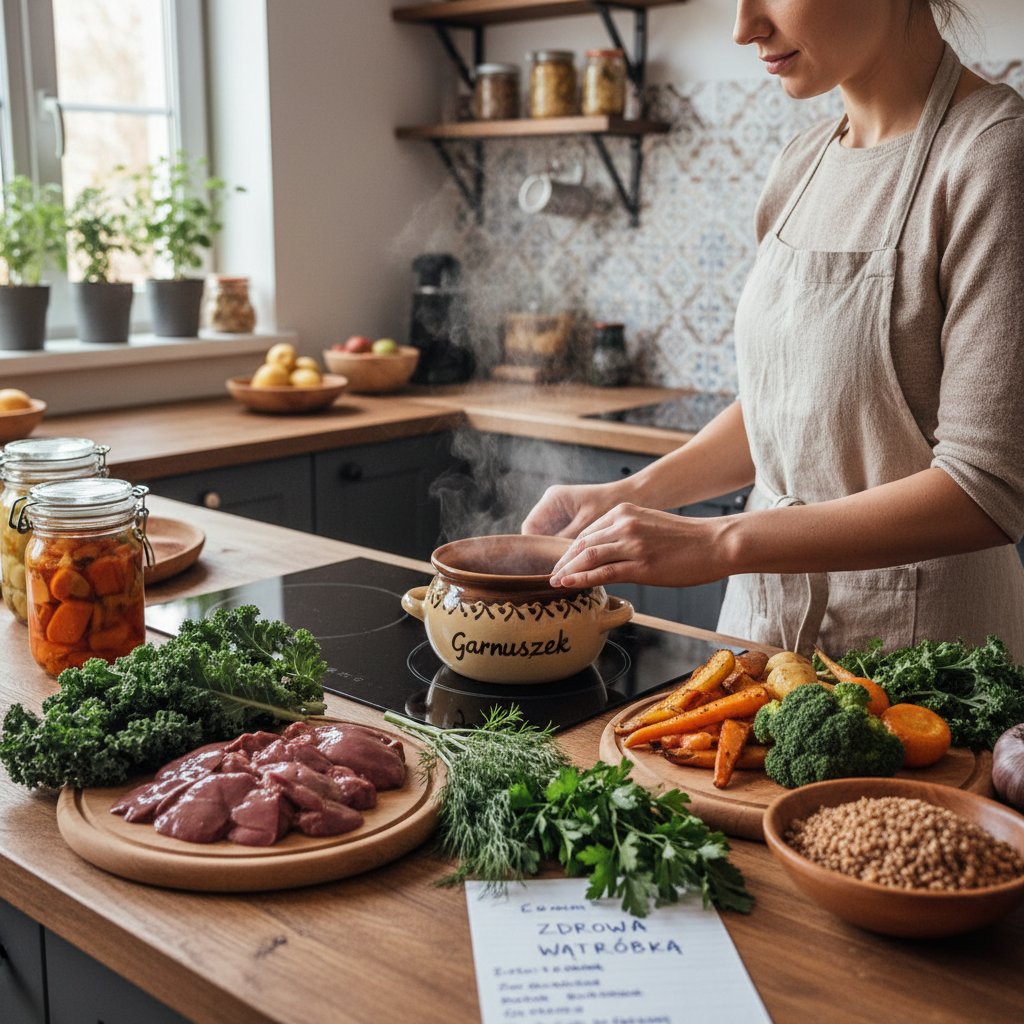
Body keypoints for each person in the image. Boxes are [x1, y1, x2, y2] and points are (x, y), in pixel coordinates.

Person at [521, 0, 1024, 659]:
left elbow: (985, 488)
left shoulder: (993, 154)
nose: (743, 27)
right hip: (760, 637)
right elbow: (789, 409)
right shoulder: (801, 163)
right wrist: (628, 496)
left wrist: (720, 542)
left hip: (921, 664)